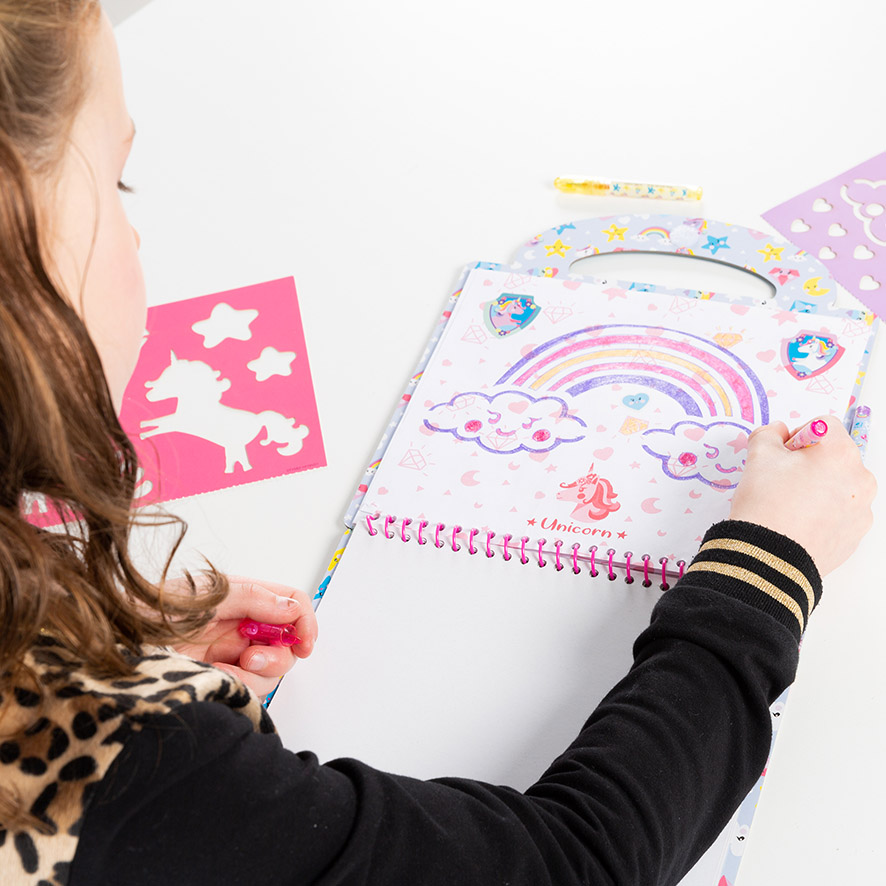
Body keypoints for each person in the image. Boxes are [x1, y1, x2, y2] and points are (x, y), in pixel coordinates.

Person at [0, 3, 875, 885]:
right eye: (117, 185)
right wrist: (766, 568)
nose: (136, 235)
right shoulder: (102, 757)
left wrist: (81, 622)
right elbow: (572, 868)